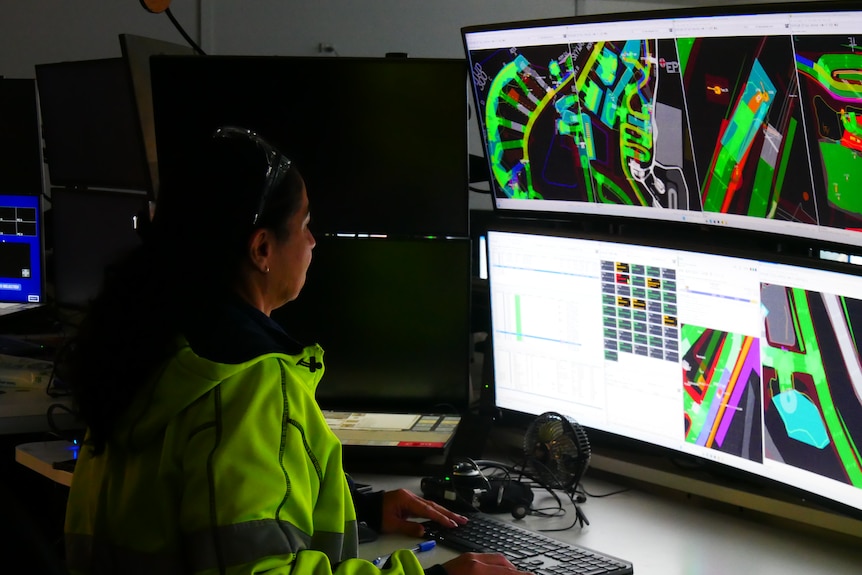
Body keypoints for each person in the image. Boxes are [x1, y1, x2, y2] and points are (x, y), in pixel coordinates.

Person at [59, 126, 528, 575]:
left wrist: (360, 504)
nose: (312, 241)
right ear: (262, 248)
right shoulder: (248, 386)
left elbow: (200, 504)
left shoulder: (148, 351)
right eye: (304, 224)